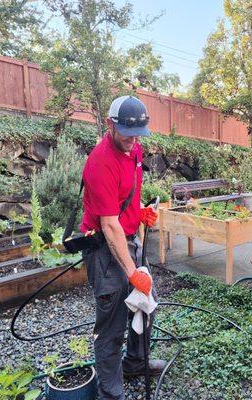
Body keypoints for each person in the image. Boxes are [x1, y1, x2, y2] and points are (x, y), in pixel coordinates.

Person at [80, 95, 166, 400]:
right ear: (110, 124)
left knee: (148, 301)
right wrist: (132, 273)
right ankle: (111, 393)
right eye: (127, 133)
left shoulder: (135, 149)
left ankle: (134, 363)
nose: (132, 140)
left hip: (128, 236)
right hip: (104, 247)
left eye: (138, 134)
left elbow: (127, 194)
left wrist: (140, 211)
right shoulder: (100, 162)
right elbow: (108, 225)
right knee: (112, 326)